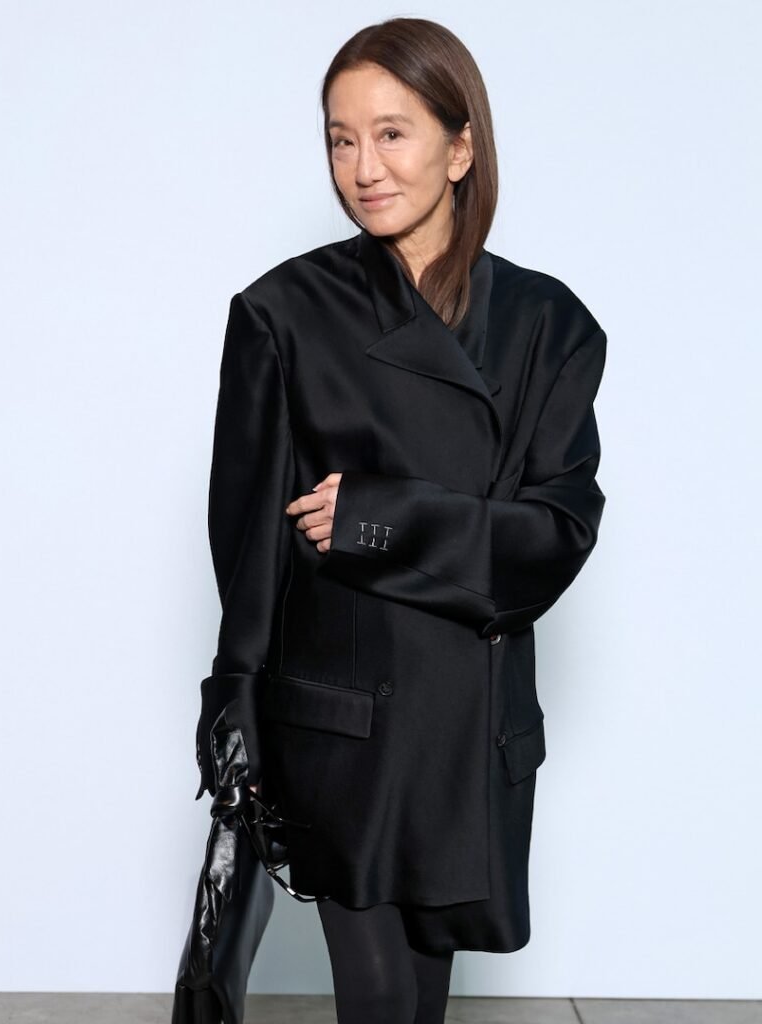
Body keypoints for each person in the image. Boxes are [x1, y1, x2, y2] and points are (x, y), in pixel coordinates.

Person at [193, 17, 608, 1024]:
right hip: (342, 724)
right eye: (341, 139)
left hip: (469, 730)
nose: (363, 168)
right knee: (379, 1003)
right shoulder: (283, 313)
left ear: (460, 148)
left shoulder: (549, 325)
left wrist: (380, 517)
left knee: (419, 1004)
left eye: (391, 134)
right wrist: (233, 704)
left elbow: (555, 536)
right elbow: (248, 549)